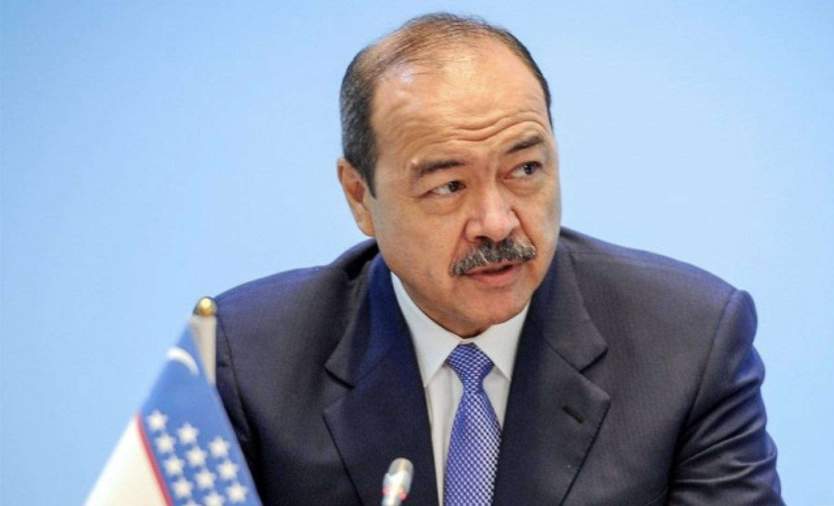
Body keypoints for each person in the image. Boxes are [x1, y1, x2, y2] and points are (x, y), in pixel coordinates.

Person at [214, 13, 783, 506]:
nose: (497, 222)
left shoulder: (688, 344)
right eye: (448, 186)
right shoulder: (246, 358)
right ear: (360, 196)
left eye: (525, 170)